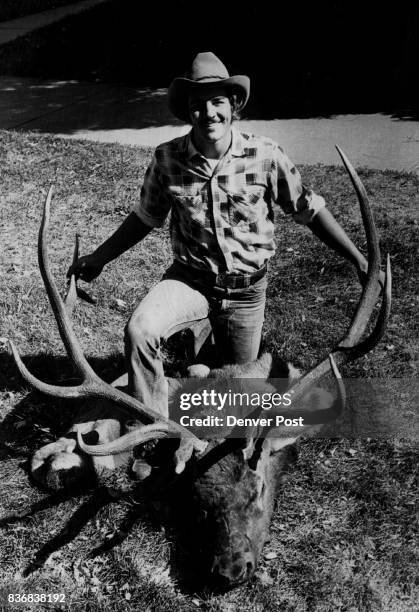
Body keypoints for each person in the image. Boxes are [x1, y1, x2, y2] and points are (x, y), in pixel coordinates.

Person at [68, 52, 373, 419]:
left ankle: (203, 348)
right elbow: (144, 217)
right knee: (140, 330)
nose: (209, 113)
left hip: (246, 292)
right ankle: (150, 425)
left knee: (236, 399)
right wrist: (99, 258)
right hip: (190, 281)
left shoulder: (265, 155)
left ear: (234, 106)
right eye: (198, 105)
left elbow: (308, 208)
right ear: (187, 111)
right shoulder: (167, 158)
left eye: (217, 102)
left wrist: (358, 258)